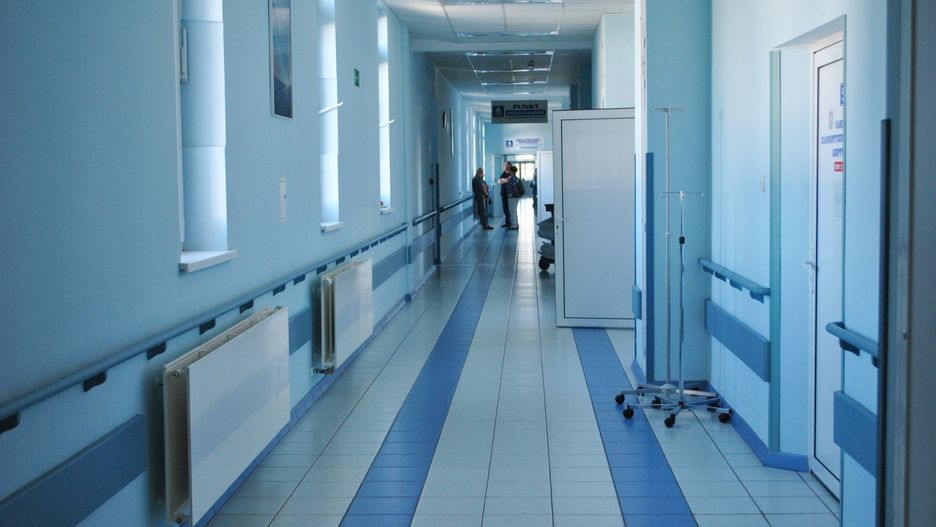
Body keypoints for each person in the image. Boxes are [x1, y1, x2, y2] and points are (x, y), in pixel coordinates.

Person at [498, 162, 514, 228]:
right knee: (505, 209)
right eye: (505, 165)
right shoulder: (503, 173)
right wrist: (503, 180)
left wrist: (503, 180)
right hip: (503, 193)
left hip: (509, 194)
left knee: (510, 209)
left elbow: (508, 180)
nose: (506, 167)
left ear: (510, 166)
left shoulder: (512, 173)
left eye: (507, 165)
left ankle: (511, 223)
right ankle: (507, 223)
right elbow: (499, 181)